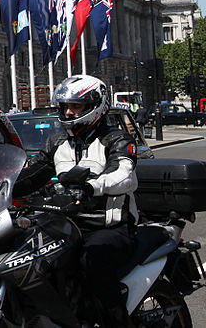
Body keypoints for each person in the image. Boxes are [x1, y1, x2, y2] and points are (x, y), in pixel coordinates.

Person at [14, 75, 138, 327]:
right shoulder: (57, 142)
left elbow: (124, 175)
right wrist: (0, 186)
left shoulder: (116, 140)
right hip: (66, 226)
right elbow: (32, 175)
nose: (69, 112)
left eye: (76, 107)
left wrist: (92, 187)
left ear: (96, 105)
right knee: (29, 262)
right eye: (65, 107)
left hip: (108, 226)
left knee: (90, 262)